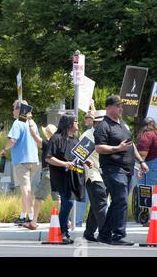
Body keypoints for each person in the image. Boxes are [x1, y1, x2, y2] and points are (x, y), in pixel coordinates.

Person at [95, 95, 149, 245]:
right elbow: (99, 147)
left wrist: (141, 161)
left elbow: (131, 145)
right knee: (122, 200)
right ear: (109, 107)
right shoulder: (103, 126)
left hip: (128, 170)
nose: (121, 108)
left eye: (121, 106)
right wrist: (117, 148)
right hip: (113, 169)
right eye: (118, 106)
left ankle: (104, 234)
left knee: (118, 202)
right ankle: (118, 235)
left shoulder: (123, 124)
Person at [45, 112, 91, 244]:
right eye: (75, 121)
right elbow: (49, 158)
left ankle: (63, 231)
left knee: (69, 202)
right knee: (68, 202)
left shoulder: (76, 139)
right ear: (69, 124)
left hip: (74, 176)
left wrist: (86, 161)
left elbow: (79, 156)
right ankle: (63, 232)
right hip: (61, 177)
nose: (78, 123)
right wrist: (64, 164)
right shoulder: (56, 138)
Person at [1, 100, 39, 225]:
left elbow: (12, 140)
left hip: (21, 161)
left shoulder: (18, 123)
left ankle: (32, 217)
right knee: (27, 189)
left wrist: (4, 149)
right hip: (34, 160)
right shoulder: (32, 123)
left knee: (25, 189)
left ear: (19, 109)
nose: (12, 111)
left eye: (13, 108)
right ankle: (23, 215)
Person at [23, 122, 58, 230]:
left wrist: (29, 122)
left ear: (47, 133)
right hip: (57, 173)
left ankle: (33, 222)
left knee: (39, 198)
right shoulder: (59, 143)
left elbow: (34, 135)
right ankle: (66, 221)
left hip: (47, 172)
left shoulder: (47, 143)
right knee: (58, 199)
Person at [80, 110, 108, 242]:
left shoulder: (106, 134)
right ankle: (105, 234)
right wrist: (86, 161)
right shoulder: (87, 135)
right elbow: (78, 155)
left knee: (96, 206)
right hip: (93, 175)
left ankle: (89, 233)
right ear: (97, 123)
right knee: (101, 205)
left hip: (104, 175)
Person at [137, 117, 157, 185]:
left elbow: (142, 153)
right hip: (154, 164)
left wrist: (140, 169)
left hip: (151, 165)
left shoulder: (147, 134)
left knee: (146, 189)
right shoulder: (154, 134)